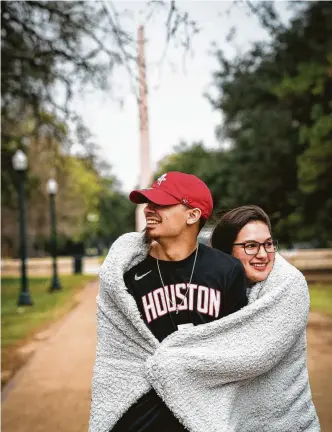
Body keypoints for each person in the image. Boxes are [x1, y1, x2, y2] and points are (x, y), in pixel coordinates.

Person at [89, 172, 248, 432]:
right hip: (142, 418)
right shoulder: (127, 275)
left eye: (161, 204)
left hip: (203, 414)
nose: (149, 210)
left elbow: (235, 349)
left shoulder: (227, 270)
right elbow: (117, 357)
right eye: (149, 202)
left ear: (193, 215)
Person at [210, 205, 319, 430]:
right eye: (250, 246)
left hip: (288, 423)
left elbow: (253, 355)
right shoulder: (215, 287)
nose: (262, 254)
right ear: (226, 251)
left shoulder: (288, 284)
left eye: (268, 244)